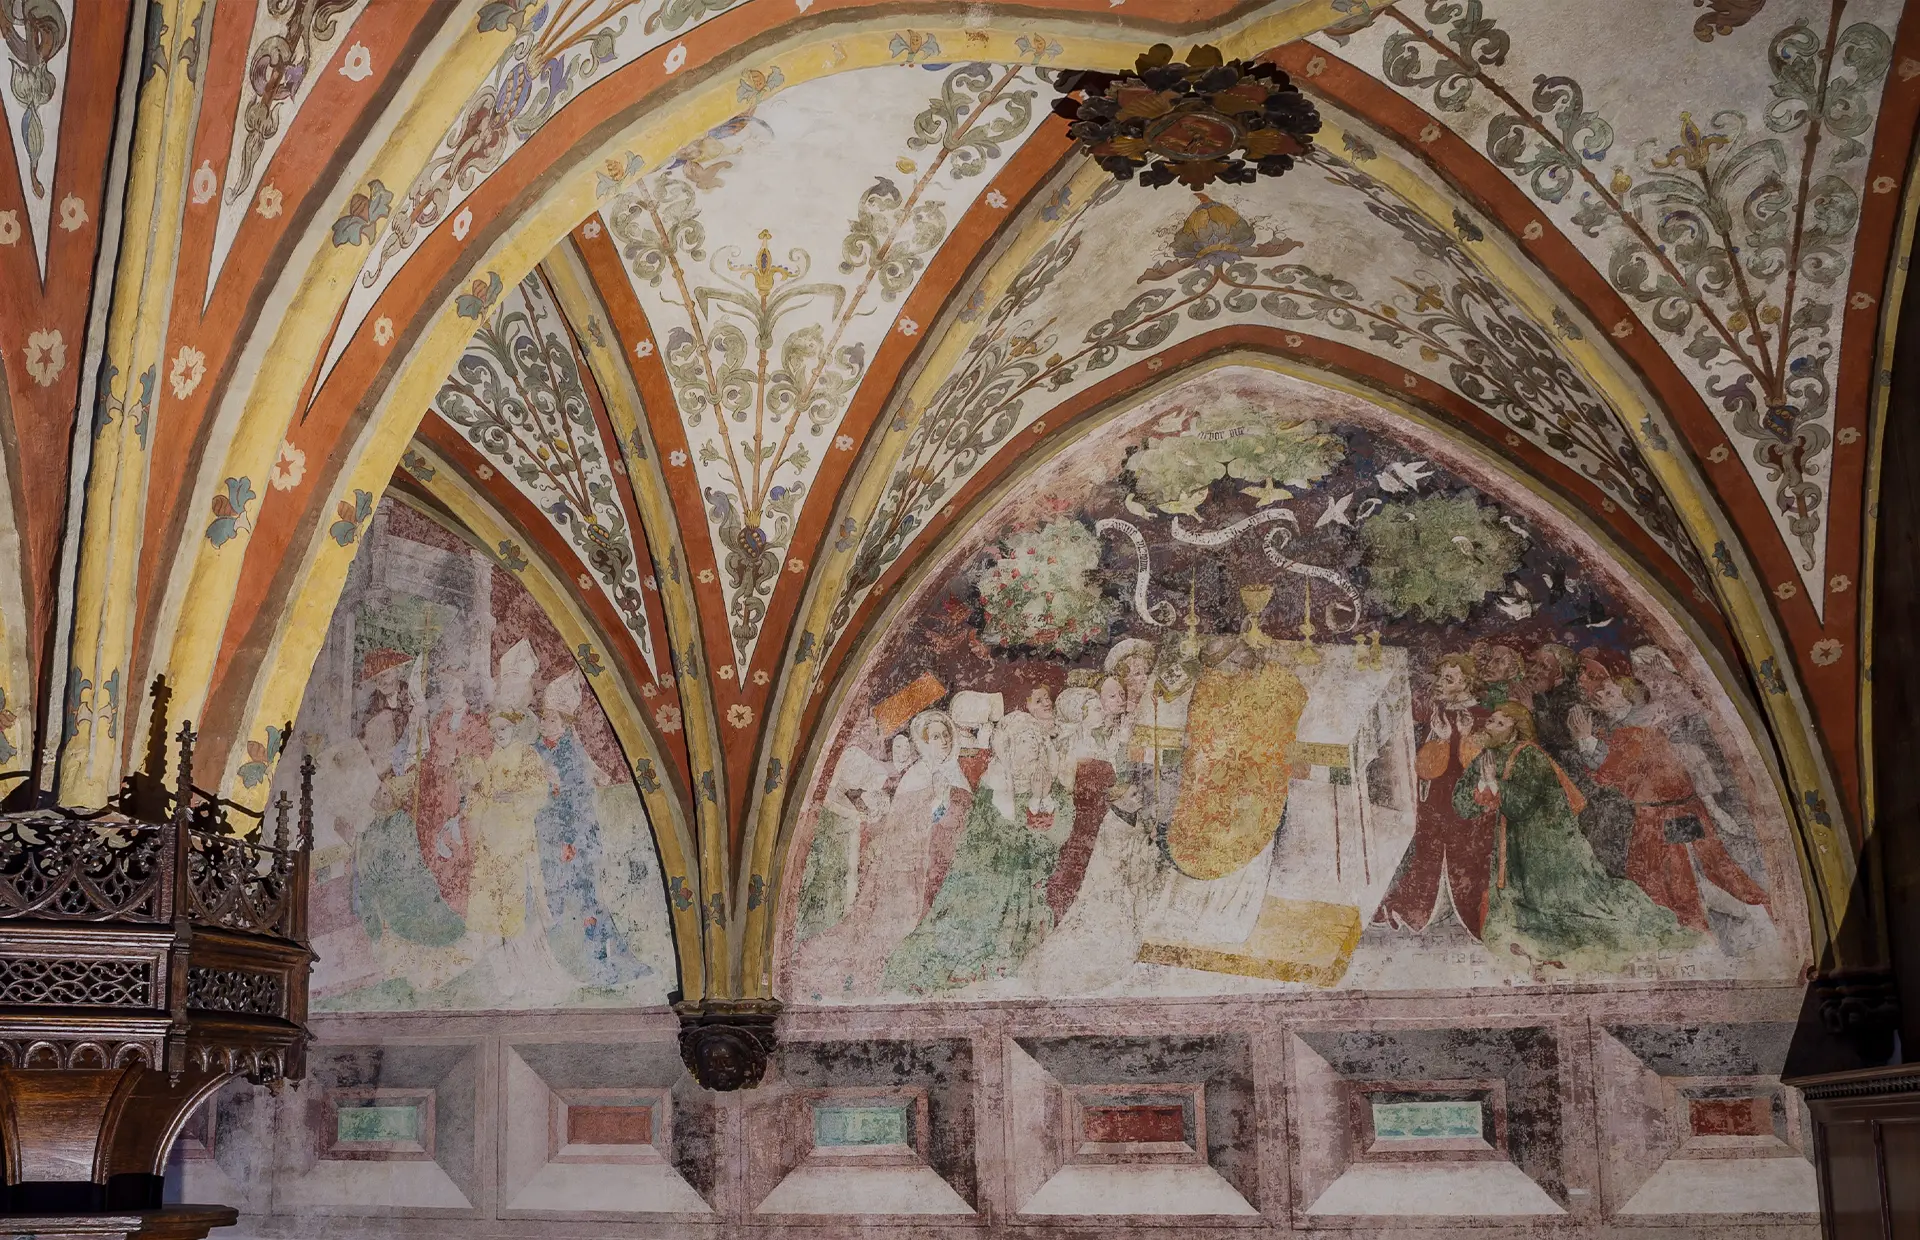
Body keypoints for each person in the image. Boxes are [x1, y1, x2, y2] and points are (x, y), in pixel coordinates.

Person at [1455, 702, 1697, 973]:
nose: (1490, 726)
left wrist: (1494, 784)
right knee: (1519, 906)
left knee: (1560, 906)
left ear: (1515, 731)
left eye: (1500, 723)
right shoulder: (1485, 757)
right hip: (1510, 845)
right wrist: (1483, 783)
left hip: (1546, 846)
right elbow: (1461, 803)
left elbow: (1521, 806)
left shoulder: (1531, 756)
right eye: (1491, 721)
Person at [881, 712, 1072, 994]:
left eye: (1035, 739)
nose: (1033, 745)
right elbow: (986, 831)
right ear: (1011, 745)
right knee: (968, 920)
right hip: (989, 867)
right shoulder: (995, 780)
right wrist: (1024, 831)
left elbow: (1059, 831)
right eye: (1024, 739)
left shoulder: (1050, 785)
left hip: (1026, 869)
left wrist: (1038, 805)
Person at [1569, 676, 1771, 934]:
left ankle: (1741, 918)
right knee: (1680, 878)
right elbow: (1610, 771)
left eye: (1610, 693)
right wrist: (1587, 740)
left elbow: (1616, 769)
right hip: (1661, 814)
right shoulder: (1623, 729)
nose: (1601, 697)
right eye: (1602, 693)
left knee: (1684, 879)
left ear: (1628, 700)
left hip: (1672, 815)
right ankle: (1737, 917)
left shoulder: (1639, 729)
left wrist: (1585, 739)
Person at [797, 710, 969, 996]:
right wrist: (937, 802)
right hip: (911, 867)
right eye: (936, 736)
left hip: (947, 864)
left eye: (946, 736)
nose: (943, 742)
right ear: (924, 742)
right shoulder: (916, 776)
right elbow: (905, 826)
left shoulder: (955, 774)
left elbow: (963, 820)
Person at [1374, 652, 1493, 935]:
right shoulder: (1437, 712)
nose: (1440, 683)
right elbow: (1425, 767)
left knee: (1464, 854)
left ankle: (1462, 908)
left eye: (1449, 679)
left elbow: (1481, 769)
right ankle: (1427, 907)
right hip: (1435, 797)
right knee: (1428, 851)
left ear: (1466, 683)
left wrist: (1461, 737)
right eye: (1440, 677)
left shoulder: (1482, 716)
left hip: (1465, 801)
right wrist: (1440, 739)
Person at [1022, 781, 1167, 994]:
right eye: (1133, 794)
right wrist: (1150, 843)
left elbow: (1138, 852)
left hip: (1124, 893)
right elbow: (1127, 867)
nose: (1139, 798)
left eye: (1138, 793)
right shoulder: (1112, 825)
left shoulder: (1134, 820)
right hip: (1108, 894)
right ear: (1119, 800)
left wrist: (1149, 837)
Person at [1046, 687, 1115, 921]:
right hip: (1082, 823)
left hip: (1101, 820)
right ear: (1079, 715)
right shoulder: (1073, 750)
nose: (1102, 712)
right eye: (1095, 709)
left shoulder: (1098, 744)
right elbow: (1067, 793)